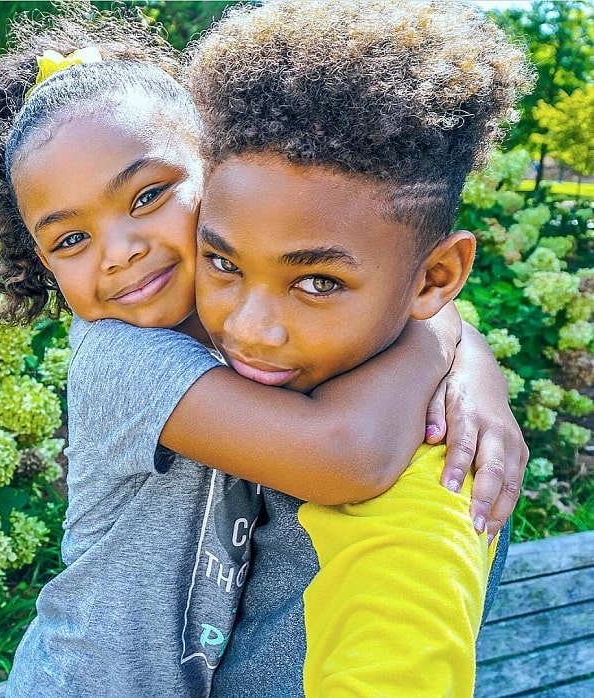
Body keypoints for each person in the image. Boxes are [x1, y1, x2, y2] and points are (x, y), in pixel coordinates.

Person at [0, 3, 527, 696]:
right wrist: (440, 345)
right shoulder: (121, 357)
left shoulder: (236, 317)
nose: (120, 253)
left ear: (213, 174)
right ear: (41, 262)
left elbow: (403, 287)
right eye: (70, 240)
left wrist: (471, 358)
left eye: (148, 195)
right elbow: (346, 457)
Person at [183, 0, 533, 695]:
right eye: (223, 263)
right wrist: (454, 342)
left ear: (437, 277)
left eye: (316, 281)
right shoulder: (293, 370)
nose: (250, 328)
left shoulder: (433, 493)